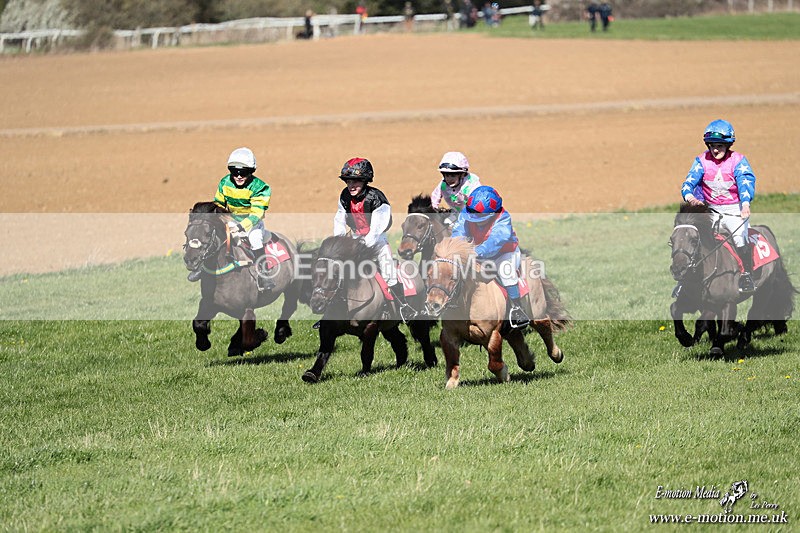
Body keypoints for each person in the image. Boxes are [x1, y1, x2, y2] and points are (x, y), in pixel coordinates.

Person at [334, 157, 418, 322]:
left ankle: (404, 307)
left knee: (388, 272)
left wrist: (362, 246)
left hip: (376, 241)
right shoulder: (344, 196)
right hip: (355, 238)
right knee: (336, 270)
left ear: (365, 180)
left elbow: (376, 229)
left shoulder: (377, 198)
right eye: (348, 181)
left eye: (356, 181)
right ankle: (332, 311)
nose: (351, 185)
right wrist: (341, 242)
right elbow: (339, 219)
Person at [680, 119, 757, 294]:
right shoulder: (701, 161)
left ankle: (746, 275)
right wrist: (691, 197)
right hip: (711, 211)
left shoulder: (738, 161)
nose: (715, 150)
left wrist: (745, 205)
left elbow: (745, 183)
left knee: (739, 239)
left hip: (735, 210)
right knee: (697, 240)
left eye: (720, 146)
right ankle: (688, 280)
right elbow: (688, 183)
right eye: (712, 145)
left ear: (728, 145)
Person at [188, 147, 272, 291]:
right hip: (230, 219)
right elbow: (219, 204)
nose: (239, 176)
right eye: (234, 171)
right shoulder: (225, 183)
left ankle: (264, 275)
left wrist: (240, 227)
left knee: (255, 240)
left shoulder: (261, 187)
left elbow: (257, 213)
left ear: (252, 171)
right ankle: (202, 267)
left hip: (252, 223)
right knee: (211, 237)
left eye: (243, 172)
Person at [452, 186, 530, 329]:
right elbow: (458, 233)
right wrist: (459, 249)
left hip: (504, 254)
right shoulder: (466, 213)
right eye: (473, 216)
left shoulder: (503, 217)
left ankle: (517, 309)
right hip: (476, 254)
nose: (475, 220)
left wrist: (475, 252)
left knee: (506, 271)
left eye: (481, 217)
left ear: (493, 213)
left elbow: (496, 240)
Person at [430, 151, 482, 225]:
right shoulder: (443, 185)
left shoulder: (471, 184)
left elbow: (478, 203)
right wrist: (432, 213)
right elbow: (434, 198)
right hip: (455, 213)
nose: (449, 179)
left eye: (453, 175)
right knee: (445, 224)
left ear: (462, 174)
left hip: (473, 215)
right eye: (447, 175)